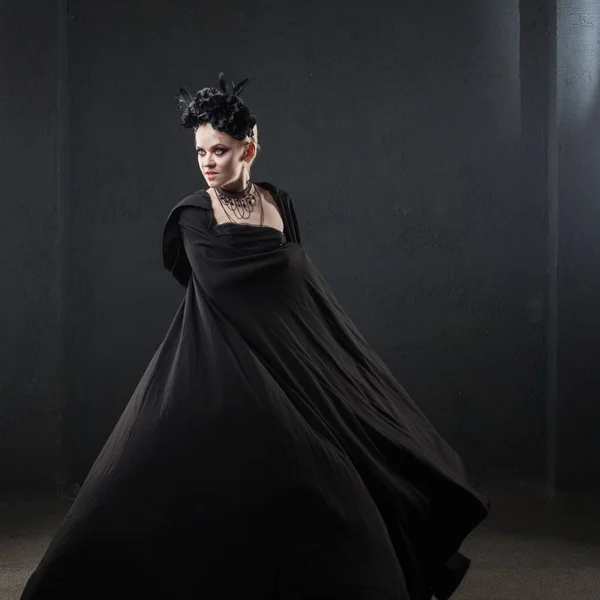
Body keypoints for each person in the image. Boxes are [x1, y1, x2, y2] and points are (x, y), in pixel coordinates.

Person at [21, 72, 489, 600]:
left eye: (219, 150)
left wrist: (321, 359)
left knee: (336, 480)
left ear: (250, 148)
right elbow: (225, 283)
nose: (207, 161)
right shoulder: (195, 214)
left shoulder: (279, 204)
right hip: (214, 362)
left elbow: (297, 290)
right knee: (142, 486)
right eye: (199, 151)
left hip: (289, 360)